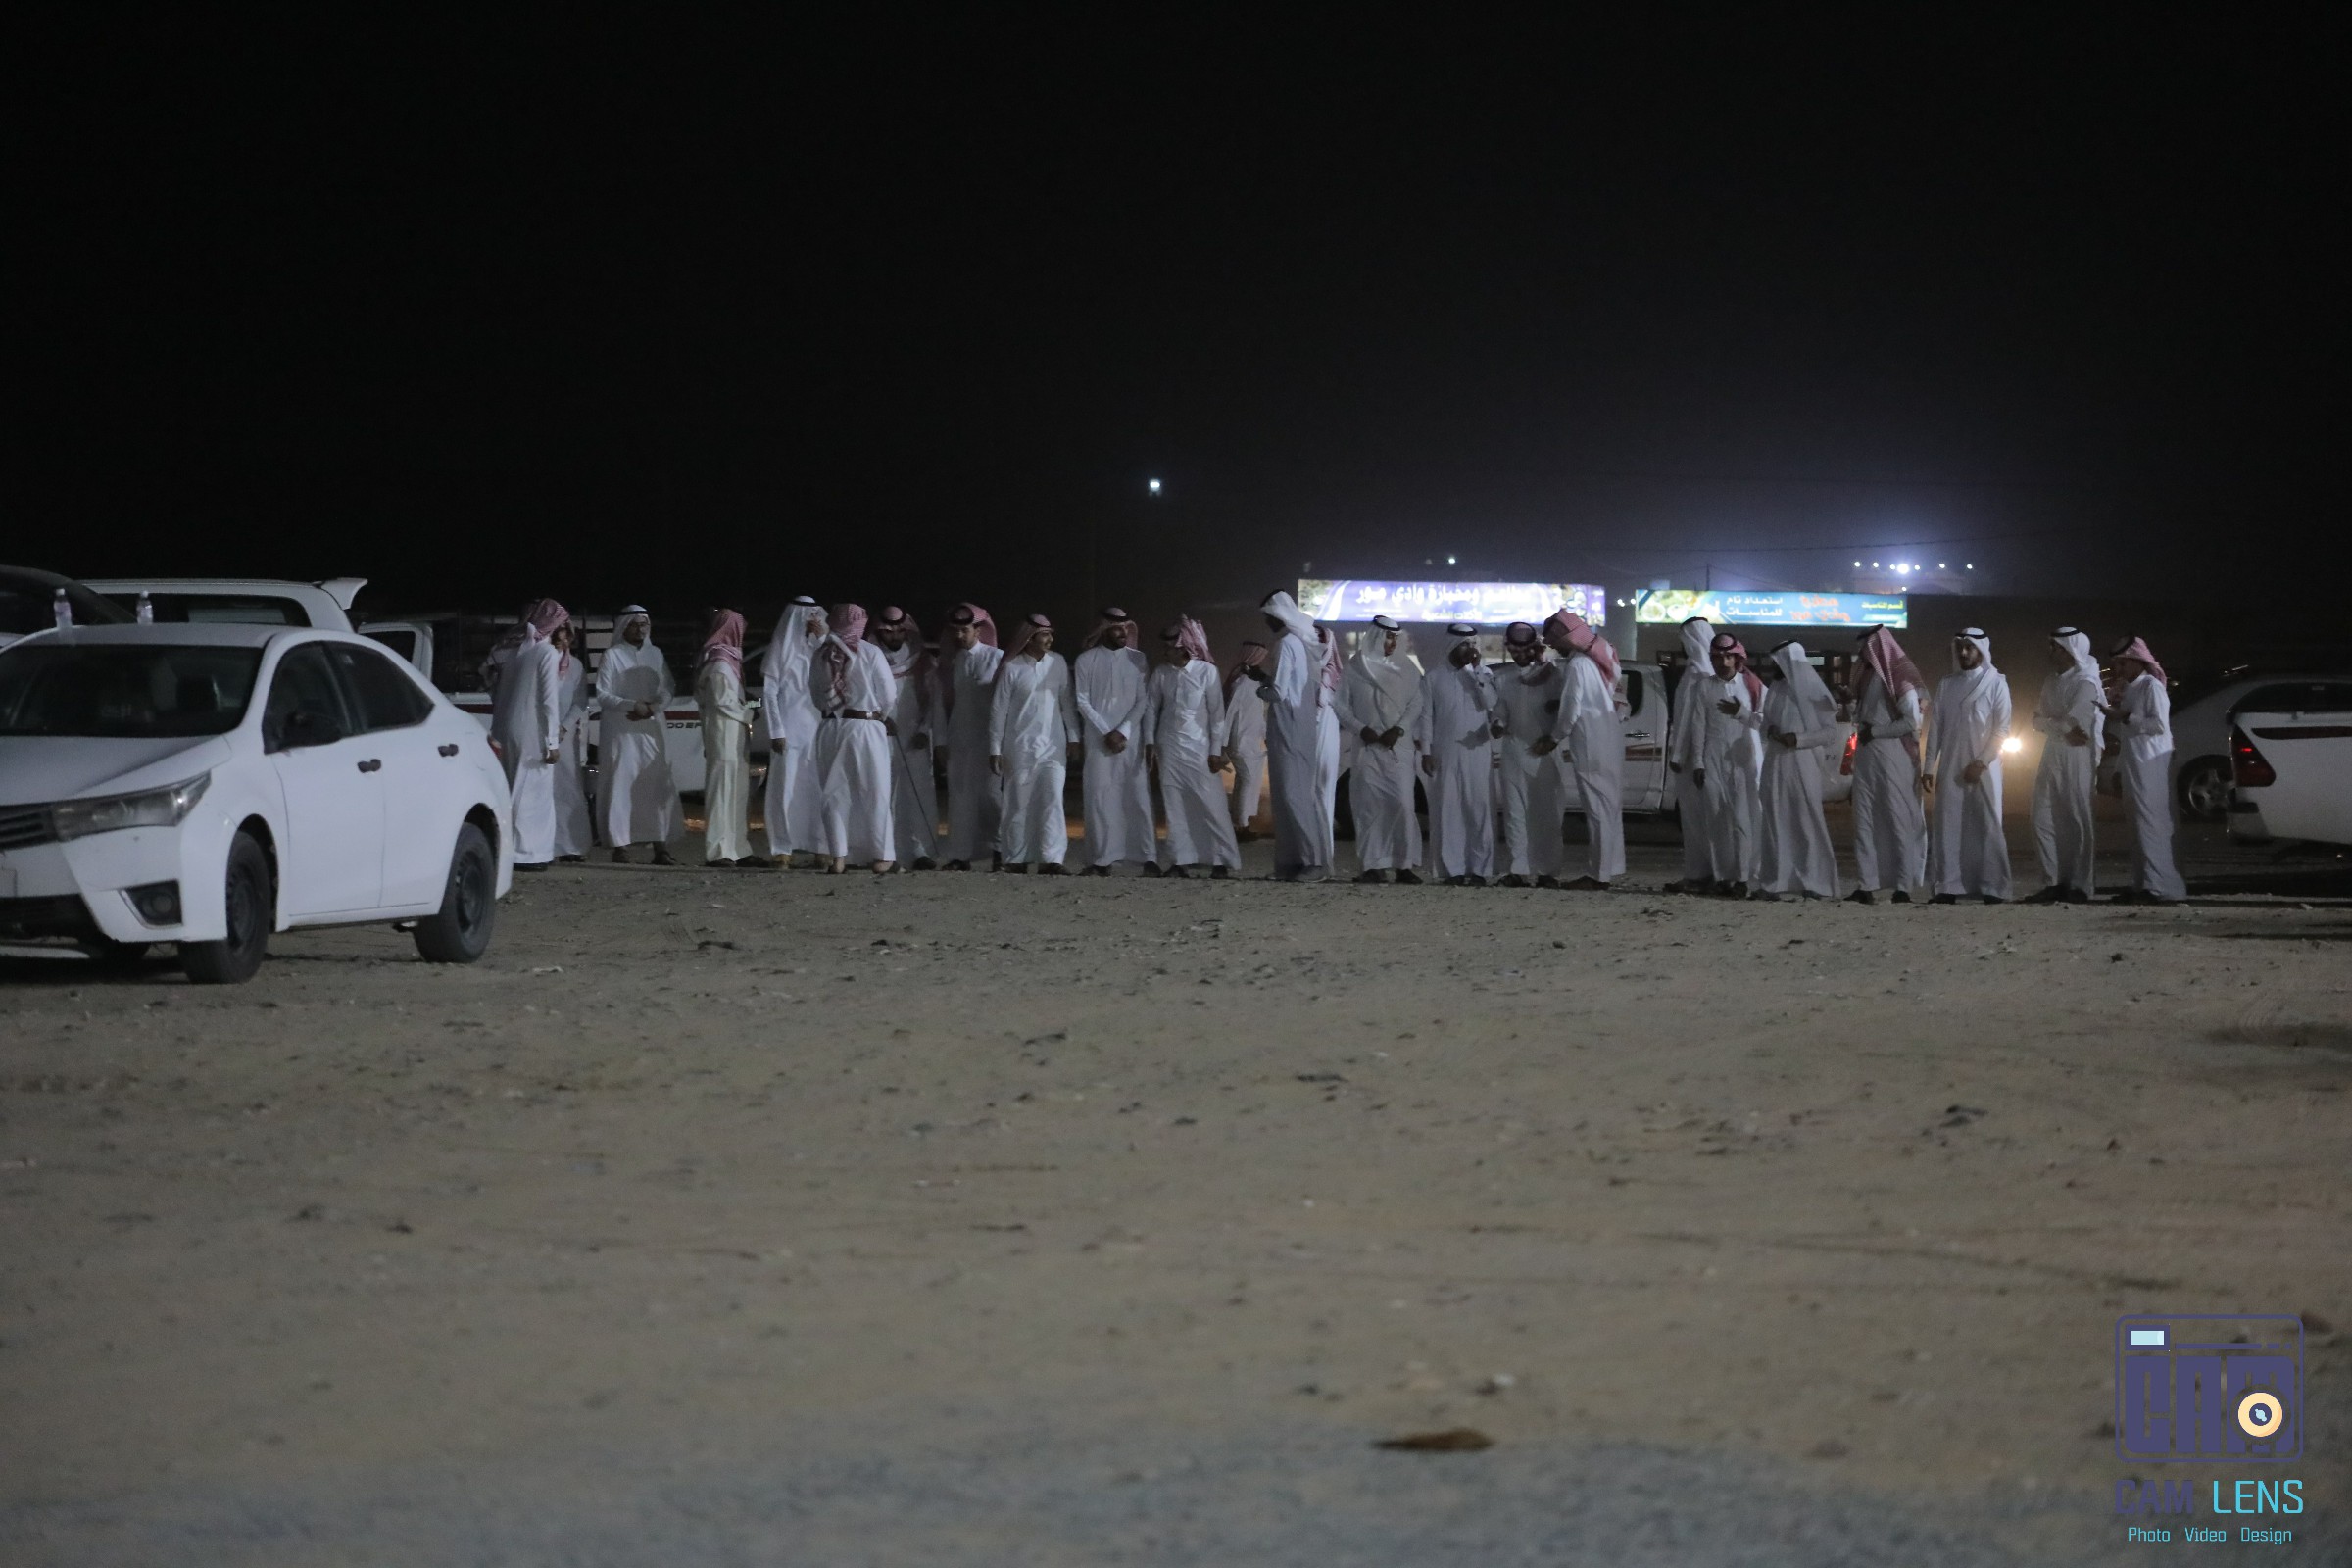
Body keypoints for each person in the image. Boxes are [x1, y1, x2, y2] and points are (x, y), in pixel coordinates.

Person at [1922, 628, 2013, 904]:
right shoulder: (1947, 684)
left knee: (1987, 826)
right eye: (1960, 647)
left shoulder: (1996, 683)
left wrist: (1981, 762)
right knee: (1948, 826)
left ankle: (1993, 887)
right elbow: (1936, 728)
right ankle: (1948, 886)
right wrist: (1928, 766)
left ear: (1980, 650)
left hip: (1985, 769)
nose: (1963, 652)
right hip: (1951, 767)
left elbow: (2002, 730)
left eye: (1969, 647)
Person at [1148, 617, 1241, 878]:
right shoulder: (1161, 673)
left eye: (1169, 647)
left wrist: (1215, 751)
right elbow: (1151, 708)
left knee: (1212, 804)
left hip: (1200, 749)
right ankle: (1180, 862)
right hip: (1169, 748)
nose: (1165, 652)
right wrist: (1149, 742)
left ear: (1183, 648)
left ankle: (1221, 861)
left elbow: (1217, 714)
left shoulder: (1206, 672)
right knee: (1174, 805)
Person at [989, 613, 1081, 873]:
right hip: (1020, 747)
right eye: (1044, 635)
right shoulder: (1012, 668)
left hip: (1053, 747)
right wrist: (994, 748)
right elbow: (998, 710)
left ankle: (1052, 859)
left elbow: (1067, 702)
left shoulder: (1058, 663)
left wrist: (1074, 737)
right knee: (1018, 803)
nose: (1050, 640)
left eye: (1050, 635)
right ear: (1029, 639)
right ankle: (1016, 860)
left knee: (1052, 800)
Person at [1543, 609, 1627, 891]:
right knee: (1608, 807)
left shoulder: (1578, 664)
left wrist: (1554, 737)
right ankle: (1608, 868)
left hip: (1592, 745)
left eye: (1555, 640)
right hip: (1607, 741)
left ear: (1567, 638)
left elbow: (1571, 710)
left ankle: (1598, 875)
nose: (1553, 646)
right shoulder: (1591, 662)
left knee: (1598, 809)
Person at [1256, 592, 1340, 880]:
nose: (1266, 622)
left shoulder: (1286, 644)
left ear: (1277, 616)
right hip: (1298, 727)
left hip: (1288, 727)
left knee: (1293, 797)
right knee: (1288, 797)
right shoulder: (1300, 643)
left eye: (1267, 616)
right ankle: (1291, 864)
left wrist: (1261, 689)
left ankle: (1313, 862)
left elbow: (1278, 692)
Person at [811, 603, 898, 874]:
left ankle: (838, 858)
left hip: (830, 727)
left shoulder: (821, 653)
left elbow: (815, 694)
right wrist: (881, 716)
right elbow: (888, 694)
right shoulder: (870, 652)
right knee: (876, 791)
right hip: (865, 727)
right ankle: (882, 856)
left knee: (833, 793)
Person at [1752, 640, 1839, 901]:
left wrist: (1798, 739)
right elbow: (1765, 723)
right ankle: (1775, 882)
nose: (1775, 667)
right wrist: (1770, 730)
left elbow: (1830, 732)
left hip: (1803, 764)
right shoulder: (1776, 688)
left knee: (1805, 823)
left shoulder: (1813, 690)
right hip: (1775, 763)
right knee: (1775, 822)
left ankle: (1815, 882)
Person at [2102, 635, 2186, 905]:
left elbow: (2158, 726)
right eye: (2116, 664)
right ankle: (2143, 884)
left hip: (2151, 766)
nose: (2119, 669)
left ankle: (2163, 887)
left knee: (2152, 825)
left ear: (2138, 661)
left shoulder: (2152, 687)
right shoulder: (2129, 689)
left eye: (2123, 663)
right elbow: (2128, 734)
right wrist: (2118, 769)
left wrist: (2126, 716)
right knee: (2137, 827)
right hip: (2133, 765)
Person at [594, 606, 682, 864]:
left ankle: (660, 846)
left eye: (644, 625)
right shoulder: (612, 655)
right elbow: (602, 694)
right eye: (635, 624)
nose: (640, 629)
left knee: (655, 783)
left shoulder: (655, 654)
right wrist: (633, 706)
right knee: (621, 784)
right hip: (622, 729)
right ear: (624, 627)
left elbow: (667, 687)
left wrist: (654, 707)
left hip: (652, 727)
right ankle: (620, 846)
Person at [1340, 615, 1424, 882]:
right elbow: (1340, 705)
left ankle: (1404, 865)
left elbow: (1416, 703)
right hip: (1367, 748)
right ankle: (1372, 866)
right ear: (1376, 637)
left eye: (1395, 638)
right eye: (1388, 638)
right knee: (1369, 807)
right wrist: (1360, 728)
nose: (1392, 643)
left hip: (1398, 748)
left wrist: (1398, 730)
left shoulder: (1407, 669)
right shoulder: (1355, 668)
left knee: (1403, 804)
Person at [1848, 624, 1928, 904]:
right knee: (1864, 818)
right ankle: (1866, 884)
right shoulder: (1866, 677)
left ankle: (1903, 886)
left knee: (1898, 817)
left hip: (1894, 756)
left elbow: (1911, 722)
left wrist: (1876, 731)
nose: (1862, 652)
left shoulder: (1899, 677)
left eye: (1866, 646)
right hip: (1867, 756)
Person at [1073, 607, 1155, 875]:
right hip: (1099, 741)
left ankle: (1146, 857)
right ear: (1104, 630)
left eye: (1126, 628)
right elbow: (1082, 700)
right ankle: (1101, 859)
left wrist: (1124, 731)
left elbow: (1142, 700)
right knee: (1099, 797)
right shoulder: (1086, 660)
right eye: (1117, 629)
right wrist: (1105, 732)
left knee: (1136, 796)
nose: (1123, 633)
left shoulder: (1138, 659)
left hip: (1130, 741)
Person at [1415, 622, 1498, 885]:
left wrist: (1476, 672)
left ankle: (1480, 870)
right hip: (1445, 752)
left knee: (1479, 809)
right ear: (1452, 645)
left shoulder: (1483, 674)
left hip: (1478, 752)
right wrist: (1426, 752)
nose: (1470, 650)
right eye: (1464, 645)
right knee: (1448, 810)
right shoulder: (1433, 677)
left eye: (1473, 645)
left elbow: (1491, 703)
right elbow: (1426, 718)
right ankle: (1453, 870)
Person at [488, 597, 566, 871]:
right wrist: (552, 742)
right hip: (532, 731)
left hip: (509, 728)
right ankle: (527, 854)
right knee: (533, 792)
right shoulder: (546, 653)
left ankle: (514, 850)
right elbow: (549, 702)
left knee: (516, 787)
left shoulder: (518, 652)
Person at [2028, 627, 2103, 903]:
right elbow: (2036, 720)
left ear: (2070, 650)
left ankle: (2080, 885)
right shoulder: (2051, 681)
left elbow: (2073, 722)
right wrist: (2056, 727)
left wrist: (2051, 725)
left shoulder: (2086, 683)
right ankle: (2053, 882)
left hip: (2078, 755)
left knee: (2077, 819)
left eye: (2056, 647)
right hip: (2052, 753)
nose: (2050, 652)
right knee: (2042, 818)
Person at [1490, 621, 1563, 887]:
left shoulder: (1552, 675)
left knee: (1547, 814)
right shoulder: (1503, 678)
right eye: (1515, 650)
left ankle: (1547, 872)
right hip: (1514, 751)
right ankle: (1517, 870)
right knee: (1514, 813)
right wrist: (1497, 724)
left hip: (1545, 753)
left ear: (1534, 648)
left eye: (1525, 650)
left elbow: (1564, 709)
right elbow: (1500, 712)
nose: (1519, 655)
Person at [1694, 632, 1765, 898]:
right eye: (1717, 657)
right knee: (1715, 821)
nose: (1722, 662)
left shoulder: (1751, 686)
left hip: (1742, 760)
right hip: (1712, 758)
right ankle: (1722, 877)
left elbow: (1765, 722)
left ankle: (1743, 878)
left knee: (1741, 820)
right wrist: (1698, 762)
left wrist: (1741, 713)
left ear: (1737, 659)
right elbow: (1698, 725)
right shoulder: (1704, 686)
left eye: (1727, 657)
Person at [873, 606, 942, 869]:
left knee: (918, 794)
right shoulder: (870, 658)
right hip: (881, 736)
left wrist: (925, 730)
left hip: (916, 737)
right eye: (889, 632)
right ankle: (884, 851)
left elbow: (934, 700)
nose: (895, 636)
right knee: (884, 793)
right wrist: (880, 719)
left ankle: (920, 851)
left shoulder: (923, 661)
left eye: (900, 631)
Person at [761, 597, 828, 865]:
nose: (812, 620)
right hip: (788, 728)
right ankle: (782, 849)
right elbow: (769, 693)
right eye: (807, 616)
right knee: (784, 789)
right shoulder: (781, 649)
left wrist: (821, 639)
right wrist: (776, 730)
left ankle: (821, 847)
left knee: (817, 788)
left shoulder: (822, 649)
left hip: (818, 729)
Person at [938, 602, 1003, 870]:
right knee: (960, 798)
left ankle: (1000, 851)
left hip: (989, 740)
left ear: (978, 630)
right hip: (959, 739)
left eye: (965, 630)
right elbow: (942, 704)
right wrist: (941, 741)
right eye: (956, 630)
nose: (959, 635)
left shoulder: (997, 658)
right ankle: (960, 856)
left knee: (991, 797)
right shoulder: (951, 662)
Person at [696, 609, 759, 867]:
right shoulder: (719, 663)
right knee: (722, 791)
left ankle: (738, 849)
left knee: (737, 791)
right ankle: (718, 851)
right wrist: (749, 712)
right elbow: (722, 701)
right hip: (723, 731)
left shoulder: (730, 660)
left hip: (735, 733)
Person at [1663, 615, 1718, 893]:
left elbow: (1689, 719)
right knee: (1698, 820)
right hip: (1697, 756)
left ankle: (1702, 875)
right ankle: (1704, 873)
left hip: (1693, 759)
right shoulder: (1702, 672)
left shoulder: (1699, 674)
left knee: (1698, 820)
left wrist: (1678, 755)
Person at [549, 620, 594, 862]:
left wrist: (564, 727)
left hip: (564, 737)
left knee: (568, 789)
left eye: (566, 638)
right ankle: (545, 847)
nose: (562, 642)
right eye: (557, 638)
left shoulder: (575, 666)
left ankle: (571, 847)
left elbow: (580, 702)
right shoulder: (540, 661)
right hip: (539, 734)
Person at [1221, 641, 1271, 839]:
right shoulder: (1240, 684)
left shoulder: (1254, 684)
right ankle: (1240, 826)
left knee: (1247, 781)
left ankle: (1241, 823)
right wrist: (1222, 743)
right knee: (1248, 780)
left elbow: (1259, 716)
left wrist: (1266, 737)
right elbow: (1229, 714)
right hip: (1240, 741)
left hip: (1252, 742)